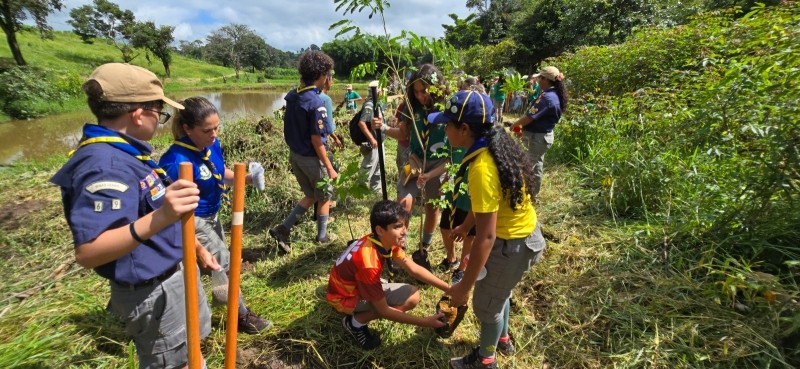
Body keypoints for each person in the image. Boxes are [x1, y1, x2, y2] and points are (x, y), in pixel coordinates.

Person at [50, 63, 220, 368]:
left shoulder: (128, 154)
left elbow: (147, 210)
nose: (161, 120)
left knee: (191, 353)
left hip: (172, 275)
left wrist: (194, 246)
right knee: (174, 362)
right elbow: (90, 252)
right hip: (152, 291)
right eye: (160, 112)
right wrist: (166, 214)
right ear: (139, 114)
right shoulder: (105, 165)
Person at [429, 90, 546, 369]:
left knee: (486, 306)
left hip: (511, 245)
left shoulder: (482, 167)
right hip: (523, 236)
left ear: (464, 128)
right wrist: (466, 224)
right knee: (499, 293)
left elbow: (486, 237)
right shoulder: (495, 144)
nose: (445, 129)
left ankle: (486, 359)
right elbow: (489, 206)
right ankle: (502, 339)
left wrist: (463, 287)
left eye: (448, 124)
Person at [158, 96, 271, 335]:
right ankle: (241, 316)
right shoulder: (174, 161)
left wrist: (249, 179)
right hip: (191, 219)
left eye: (217, 128)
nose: (214, 134)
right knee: (225, 264)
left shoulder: (211, 145)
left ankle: (213, 303)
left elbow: (220, 173)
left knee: (208, 266)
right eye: (207, 130)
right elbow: (170, 211)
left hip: (213, 216)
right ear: (187, 129)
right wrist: (197, 245)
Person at [326, 200, 449, 350]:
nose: (405, 231)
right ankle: (354, 323)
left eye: (404, 224)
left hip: (354, 285)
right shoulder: (368, 263)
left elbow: (413, 268)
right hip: (343, 298)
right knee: (406, 301)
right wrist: (426, 322)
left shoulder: (379, 240)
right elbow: (384, 311)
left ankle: (361, 313)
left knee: (412, 295)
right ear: (380, 230)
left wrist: (448, 288)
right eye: (398, 227)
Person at [376, 64, 449, 268]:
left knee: (432, 207)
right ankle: (400, 248)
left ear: (436, 87)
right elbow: (402, 134)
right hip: (415, 161)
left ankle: (424, 246)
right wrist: (383, 128)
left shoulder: (447, 106)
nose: (419, 96)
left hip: (439, 163)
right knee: (403, 204)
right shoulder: (410, 107)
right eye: (415, 91)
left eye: (424, 91)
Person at [269, 50, 338, 252]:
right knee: (325, 195)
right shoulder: (316, 103)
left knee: (310, 195)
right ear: (321, 75)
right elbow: (317, 140)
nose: (328, 78)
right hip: (311, 158)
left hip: (295, 156)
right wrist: (329, 167)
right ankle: (323, 237)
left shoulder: (293, 95)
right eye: (327, 73)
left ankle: (283, 228)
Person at [511, 66, 569, 202]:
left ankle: (522, 197)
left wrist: (516, 124)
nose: (537, 80)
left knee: (525, 166)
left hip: (537, 138)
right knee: (536, 167)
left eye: (539, 78)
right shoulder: (552, 95)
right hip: (541, 137)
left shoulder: (547, 97)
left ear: (546, 80)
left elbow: (530, 117)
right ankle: (532, 196)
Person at [356, 81, 384, 194]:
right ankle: (361, 189)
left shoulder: (378, 103)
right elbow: (361, 123)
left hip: (380, 141)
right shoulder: (369, 105)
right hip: (373, 141)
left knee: (378, 167)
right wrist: (372, 139)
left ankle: (376, 190)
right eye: (381, 90)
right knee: (368, 166)